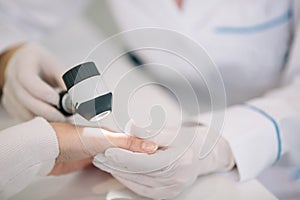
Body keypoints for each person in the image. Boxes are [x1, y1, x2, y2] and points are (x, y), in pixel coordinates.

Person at [1, 0, 300, 199]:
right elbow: (14, 16)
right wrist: (11, 56)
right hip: (155, 114)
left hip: (280, 164)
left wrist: (220, 145)